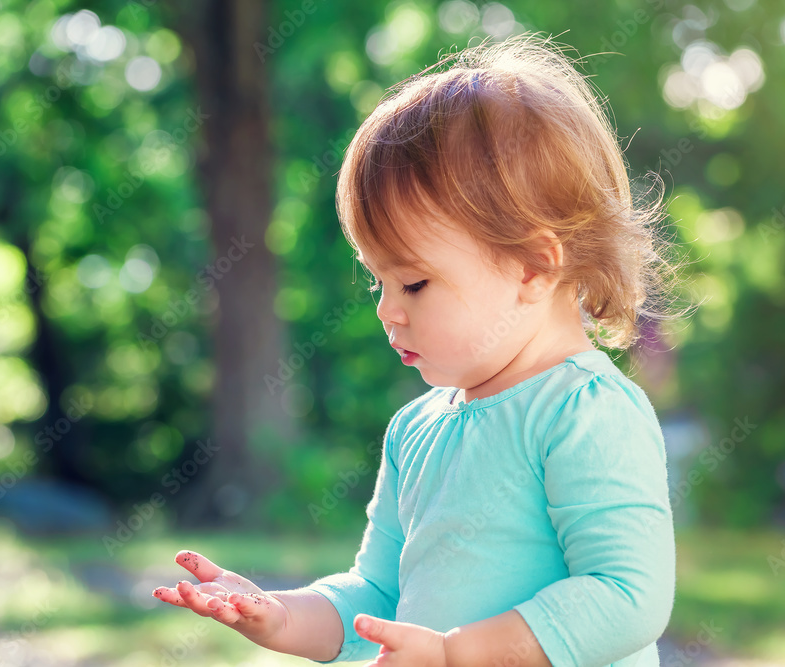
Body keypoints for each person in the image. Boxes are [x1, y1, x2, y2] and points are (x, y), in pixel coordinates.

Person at [153, 31, 693, 666]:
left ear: (532, 268)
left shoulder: (584, 412)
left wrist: (456, 653)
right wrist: (280, 616)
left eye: (412, 282)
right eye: (376, 280)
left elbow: (628, 595)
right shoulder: (416, 430)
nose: (386, 308)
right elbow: (379, 598)